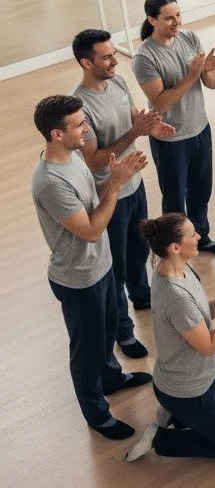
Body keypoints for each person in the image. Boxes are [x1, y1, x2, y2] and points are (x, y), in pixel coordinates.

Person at [32, 95, 150, 440]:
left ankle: (112, 378)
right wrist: (116, 185)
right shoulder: (51, 182)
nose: (87, 129)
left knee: (109, 330)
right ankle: (96, 414)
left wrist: (111, 178)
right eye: (80, 125)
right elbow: (91, 229)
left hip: (101, 265)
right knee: (88, 351)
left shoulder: (72, 156)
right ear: (57, 134)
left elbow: (91, 198)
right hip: (78, 279)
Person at [124, 213, 215, 462]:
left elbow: (203, 315)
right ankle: (160, 438)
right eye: (192, 234)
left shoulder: (179, 268)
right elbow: (209, 345)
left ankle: (178, 417)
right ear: (175, 247)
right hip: (185, 387)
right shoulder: (175, 297)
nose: (199, 236)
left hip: (206, 370)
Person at [73, 29, 175, 358]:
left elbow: (133, 115)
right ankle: (123, 331)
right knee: (115, 266)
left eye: (113, 53)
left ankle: (142, 295)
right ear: (86, 62)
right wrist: (136, 132)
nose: (115, 60)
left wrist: (150, 125)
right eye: (106, 57)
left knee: (139, 248)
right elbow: (93, 159)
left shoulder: (116, 81)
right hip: (110, 193)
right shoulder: (81, 107)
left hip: (135, 183)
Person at [133, 0, 215, 255]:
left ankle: (201, 238)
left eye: (178, 15)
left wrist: (207, 70)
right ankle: (174, 250)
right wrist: (192, 75)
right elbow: (161, 102)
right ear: (152, 20)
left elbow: (212, 83)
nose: (177, 22)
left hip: (200, 129)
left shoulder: (189, 38)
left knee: (201, 191)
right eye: (169, 18)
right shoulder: (144, 58)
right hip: (171, 139)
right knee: (175, 200)